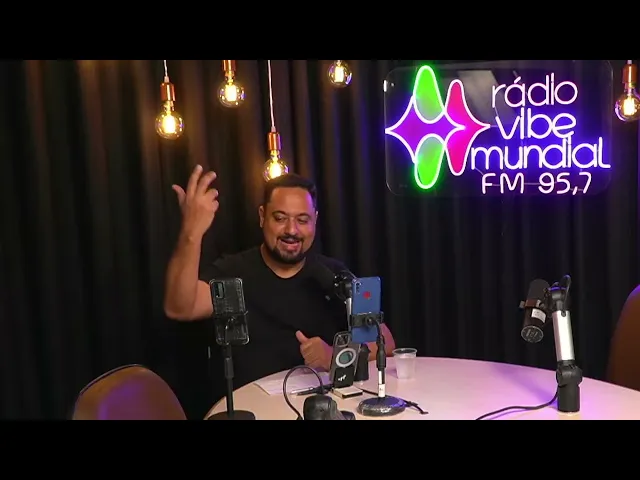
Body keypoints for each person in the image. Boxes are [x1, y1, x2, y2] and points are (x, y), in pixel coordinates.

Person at [163, 165, 396, 398]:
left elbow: (384, 343)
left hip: (320, 406)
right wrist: (192, 232)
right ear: (262, 216)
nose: (291, 230)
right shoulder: (234, 272)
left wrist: (334, 356)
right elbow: (180, 307)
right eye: (280, 218)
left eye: (302, 220)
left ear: (315, 220)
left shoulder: (332, 275)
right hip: (252, 408)